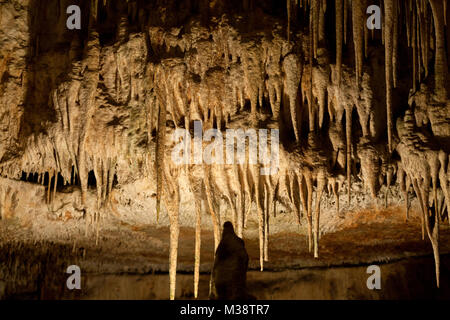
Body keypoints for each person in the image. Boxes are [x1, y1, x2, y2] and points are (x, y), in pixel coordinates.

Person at [209, 221, 254, 300]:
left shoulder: (222, 246)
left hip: (223, 279)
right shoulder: (235, 244)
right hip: (232, 278)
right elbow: (244, 258)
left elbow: (216, 267)